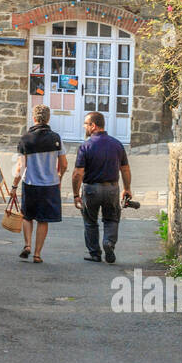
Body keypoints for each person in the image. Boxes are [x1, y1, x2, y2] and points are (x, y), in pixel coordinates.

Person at [72, 111, 133, 263]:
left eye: (86, 124)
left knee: (90, 221)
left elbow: (78, 174)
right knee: (111, 219)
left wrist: (75, 194)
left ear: (93, 126)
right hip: (112, 188)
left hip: (91, 189)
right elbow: (125, 169)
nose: (84, 127)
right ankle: (109, 243)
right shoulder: (117, 144)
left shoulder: (86, 146)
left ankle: (95, 253)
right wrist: (127, 188)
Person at [11, 105, 67, 263]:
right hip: (50, 185)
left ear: (34, 118)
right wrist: (59, 178)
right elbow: (64, 164)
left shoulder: (26, 139)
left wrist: (14, 186)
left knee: (27, 216)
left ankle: (27, 245)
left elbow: (21, 167)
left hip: (30, 183)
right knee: (43, 220)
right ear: (48, 119)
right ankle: (37, 254)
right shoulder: (56, 138)